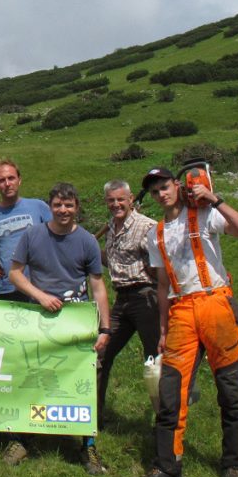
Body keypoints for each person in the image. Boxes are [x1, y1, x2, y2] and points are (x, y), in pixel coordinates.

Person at [135, 166, 238, 477]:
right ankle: (167, 468)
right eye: (154, 191)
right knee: (171, 393)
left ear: (177, 185)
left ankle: (234, 464)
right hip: (180, 312)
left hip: (215, 303)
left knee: (230, 389)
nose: (161, 194)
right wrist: (162, 328)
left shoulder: (205, 214)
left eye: (164, 186)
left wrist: (215, 199)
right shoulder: (155, 234)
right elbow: (162, 285)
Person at [9, 182, 111, 475]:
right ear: (49, 207)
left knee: (84, 382)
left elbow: (97, 286)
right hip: (39, 320)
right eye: (57, 205)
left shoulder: (88, 242)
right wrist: (40, 296)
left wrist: (105, 328)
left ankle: (88, 444)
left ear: (77, 208)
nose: (63, 210)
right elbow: (15, 274)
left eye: (68, 205)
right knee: (31, 377)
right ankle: (22, 439)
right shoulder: (32, 235)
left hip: (77, 323)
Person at [98, 179, 159, 427]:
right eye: (111, 200)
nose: (116, 204)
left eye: (121, 199)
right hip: (121, 299)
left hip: (146, 297)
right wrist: (91, 251)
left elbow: (160, 264)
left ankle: (164, 422)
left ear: (131, 199)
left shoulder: (148, 226)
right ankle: (94, 416)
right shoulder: (110, 227)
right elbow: (115, 262)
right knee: (100, 353)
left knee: (155, 360)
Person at [0, 158, 52, 302]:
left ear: (19, 180)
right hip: (6, 288)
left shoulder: (39, 207)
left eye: (11, 178)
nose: (7, 184)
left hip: (41, 285)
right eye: (1, 180)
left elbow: (59, 235)